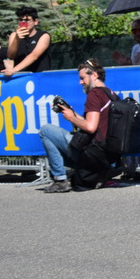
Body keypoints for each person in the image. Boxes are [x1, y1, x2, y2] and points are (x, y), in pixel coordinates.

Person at [38, 58, 114, 193]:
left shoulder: (94, 94)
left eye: (82, 78)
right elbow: (94, 122)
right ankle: (92, 174)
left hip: (92, 150)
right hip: (106, 152)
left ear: (94, 75)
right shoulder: (110, 94)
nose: (80, 82)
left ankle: (60, 180)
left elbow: (90, 127)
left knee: (46, 131)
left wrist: (71, 118)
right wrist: (72, 114)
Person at [4, 6, 51, 76]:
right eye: (20, 20)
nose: (23, 23)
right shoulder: (14, 36)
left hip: (40, 76)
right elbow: (11, 56)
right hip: (22, 78)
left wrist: (14, 70)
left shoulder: (44, 36)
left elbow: (34, 56)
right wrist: (17, 39)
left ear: (35, 21)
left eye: (27, 20)